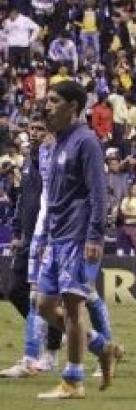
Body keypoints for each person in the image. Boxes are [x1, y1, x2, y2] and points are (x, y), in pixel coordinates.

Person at [36, 81, 120, 399]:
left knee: (72, 308)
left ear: (73, 107)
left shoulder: (85, 142)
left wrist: (95, 235)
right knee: (43, 305)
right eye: (46, 101)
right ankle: (101, 346)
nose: (46, 106)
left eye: (54, 101)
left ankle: (73, 380)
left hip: (79, 237)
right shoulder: (57, 141)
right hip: (58, 237)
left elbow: (99, 192)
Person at [0, 114, 63, 378]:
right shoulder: (27, 162)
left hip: (50, 236)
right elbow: (22, 199)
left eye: (40, 129)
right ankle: (51, 333)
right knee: (15, 290)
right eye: (32, 129)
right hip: (28, 236)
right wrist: (16, 231)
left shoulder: (52, 160)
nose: (34, 133)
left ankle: (42, 353)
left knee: (46, 297)